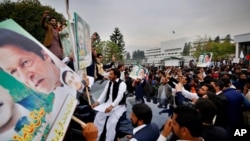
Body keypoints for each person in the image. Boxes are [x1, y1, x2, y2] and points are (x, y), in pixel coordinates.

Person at [0, 28, 76, 123]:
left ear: (45, 55)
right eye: (13, 71)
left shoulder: (72, 77)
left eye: (25, 62)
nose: (25, 77)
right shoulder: (48, 112)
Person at [91, 68, 127, 141]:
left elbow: (120, 97)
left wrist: (112, 106)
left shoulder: (122, 84)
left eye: (111, 74)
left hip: (118, 106)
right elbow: (104, 92)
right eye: (109, 73)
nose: (109, 75)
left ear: (116, 76)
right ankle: (96, 139)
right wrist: (97, 102)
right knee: (98, 118)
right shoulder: (109, 82)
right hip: (108, 104)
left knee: (111, 123)